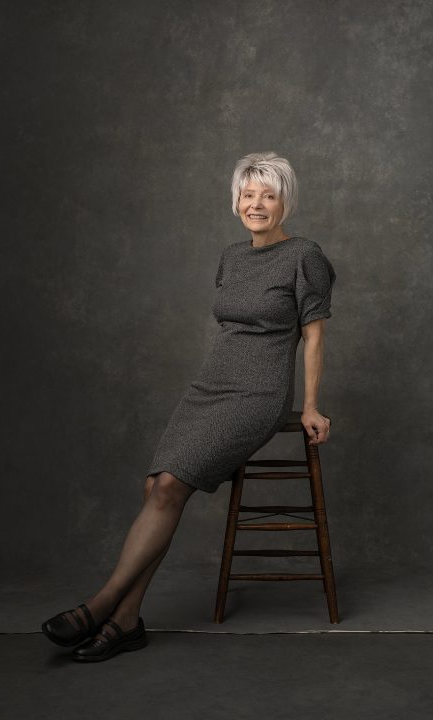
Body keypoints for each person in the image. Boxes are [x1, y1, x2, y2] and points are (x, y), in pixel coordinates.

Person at [41, 151, 337, 663]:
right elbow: (231, 327)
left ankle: (103, 604)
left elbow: (313, 338)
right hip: (210, 384)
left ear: (285, 200)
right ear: (236, 202)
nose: (257, 204)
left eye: (268, 194)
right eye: (248, 194)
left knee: (172, 485)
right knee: (156, 484)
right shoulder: (230, 255)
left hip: (258, 392)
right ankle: (128, 623)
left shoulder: (304, 255)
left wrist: (310, 406)